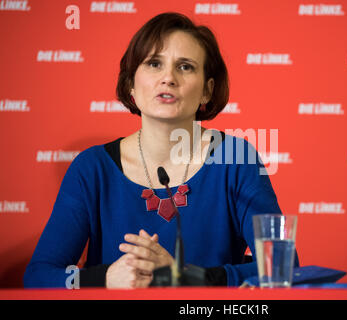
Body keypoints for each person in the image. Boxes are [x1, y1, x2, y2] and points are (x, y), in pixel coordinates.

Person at [23, 12, 298, 288]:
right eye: (154, 63)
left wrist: (188, 278)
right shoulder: (91, 168)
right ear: (131, 83)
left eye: (186, 67)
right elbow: (38, 277)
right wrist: (103, 278)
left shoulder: (237, 160)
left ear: (207, 90)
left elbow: (283, 268)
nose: (168, 77)